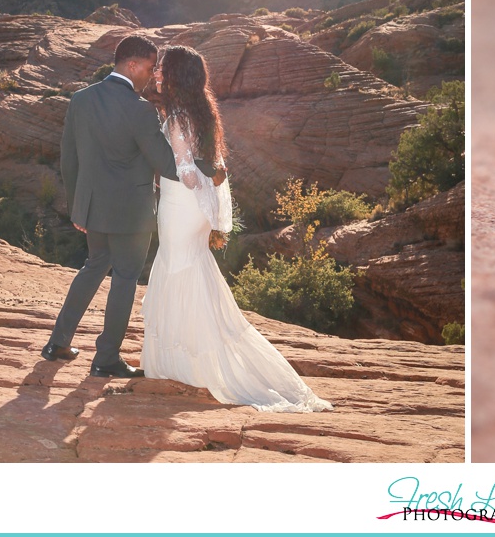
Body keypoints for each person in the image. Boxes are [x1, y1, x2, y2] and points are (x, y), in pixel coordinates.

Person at [140, 45, 332, 412]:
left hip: (181, 202)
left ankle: (187, 366)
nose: (158, 72)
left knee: (177, 268)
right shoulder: (200, 112)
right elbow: (212, 166)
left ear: (177, 74)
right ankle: (190, 362)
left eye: (164, 68)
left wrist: (159, 169)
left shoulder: (178, 117)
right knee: (189, 269)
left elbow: (185, 172)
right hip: (194, 211)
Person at [43, 34, 178, 378]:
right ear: (132, 65)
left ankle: (57, 342)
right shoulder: (140, 109)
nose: (150, 76)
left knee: (94, 266)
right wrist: (205, 168)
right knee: (126, 278)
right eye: (148, 68)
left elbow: (68, 159)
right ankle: (106, 359)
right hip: (131, 214)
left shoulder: (81, 99)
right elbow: (166, 163)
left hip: (93, 209)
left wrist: (78, 208)